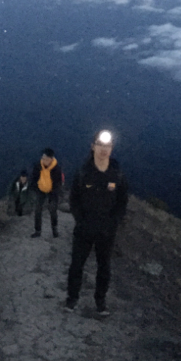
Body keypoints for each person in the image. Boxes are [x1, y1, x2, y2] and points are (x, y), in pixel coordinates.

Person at [66, 130, 128, 316]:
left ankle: (100, 302)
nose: (104, 149)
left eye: (108, 146)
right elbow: (74, 199)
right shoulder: (84, 173)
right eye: (100, 145)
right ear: (93, 147)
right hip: (84, 229)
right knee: (77, 264)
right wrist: (80, 220)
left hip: (106, 232)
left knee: (104, 267)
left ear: (112, 148)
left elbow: (122, 201)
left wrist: (114, 223)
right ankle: (72, 299)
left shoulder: (117, 175)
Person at [30, 147, 63, 238]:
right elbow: (33, 178)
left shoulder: (56, 169)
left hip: (52, 191)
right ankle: (37, 231)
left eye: (46, 159)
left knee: (52, 210)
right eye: (43, 158)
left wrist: (54, 192)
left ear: (51, 159)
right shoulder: (38, 166)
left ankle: (54, 230)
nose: (44, 160)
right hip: (40, 190)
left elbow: (58, 183)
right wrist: (36, 189)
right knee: (37, 210)